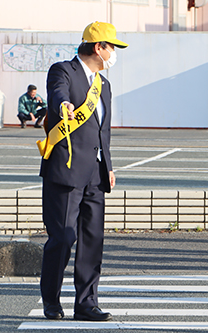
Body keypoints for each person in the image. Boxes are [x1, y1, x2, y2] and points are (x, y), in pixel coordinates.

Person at [38, 21, 128, 322]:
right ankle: (51, 299)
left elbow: (104, 132)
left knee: (92, 240)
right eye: (111, 47)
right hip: (66, 170)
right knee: (63, 237)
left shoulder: (105, 85)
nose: (113, 53)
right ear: (97, 47)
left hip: (95, 174)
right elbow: (58, 92)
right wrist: (62, 103)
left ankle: (86, 303)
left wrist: (110, 166)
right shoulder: (64, 70)